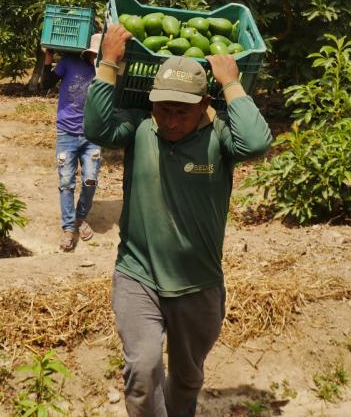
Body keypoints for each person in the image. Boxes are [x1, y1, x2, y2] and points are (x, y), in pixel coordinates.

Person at [83, 24, 273, 417]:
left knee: (187, 377)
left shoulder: (220, 135)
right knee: (142, 369)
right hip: (139, 276)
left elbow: (256, 143)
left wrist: (233, 86)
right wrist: (108, 63)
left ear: (204, 102)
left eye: (180, 111)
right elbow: (96, 127)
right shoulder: (139, 126)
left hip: (198, 283)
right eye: (162, 108)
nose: (169, 120)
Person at [41, 33, 103, 252]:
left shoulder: (106, 73)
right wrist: (47, 60)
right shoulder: (69, 62)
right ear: (88, 53)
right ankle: (69, 227)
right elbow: (45, 84)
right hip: (67, 131)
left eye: (99, 55)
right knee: (66, 181)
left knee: (90, 179)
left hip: (93, 134)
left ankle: (79, 217)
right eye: (93, 54)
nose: (96, 58)